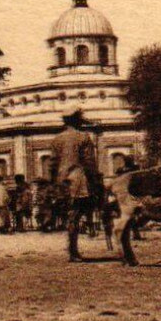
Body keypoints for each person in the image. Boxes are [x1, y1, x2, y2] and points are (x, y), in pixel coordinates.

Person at [51, 108, 105, 262]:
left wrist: (54, 183)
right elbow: (89, 162)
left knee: (70, 215)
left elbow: (53, 164)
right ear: (77, 121)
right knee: (76, 214)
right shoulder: (83, 137)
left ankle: (72, 250)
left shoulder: (57, 139)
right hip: (78, 180)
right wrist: (95, 181)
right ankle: (73, 251)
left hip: (62, 182)